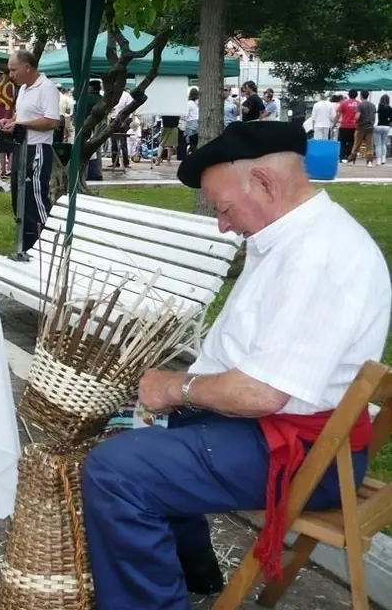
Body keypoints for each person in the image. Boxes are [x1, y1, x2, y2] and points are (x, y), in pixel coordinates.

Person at [83, 120, 391, 610]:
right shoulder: (287, 237)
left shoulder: (320, 255)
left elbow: (261, 394)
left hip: (306, 455)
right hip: (273, 429)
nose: (223, 224)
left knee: (115, 471)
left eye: (224, 209)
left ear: (265, 182)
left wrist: (175, 389)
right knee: (128, 430)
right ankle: (196, 573)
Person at [0, 50, 60, 251]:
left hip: (38, 149)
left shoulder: (47, 88)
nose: (11, 74)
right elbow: (21, 115)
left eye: (13, 70)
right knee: (18, 195)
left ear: (27, 67)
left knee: (35, 197)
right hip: (21, 149)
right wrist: (11, 121)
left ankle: (49, 241)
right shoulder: (23, 89)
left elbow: (52, 121)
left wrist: (22, 124)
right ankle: (25, 244)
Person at [109, 88, 134, 169]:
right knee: (113, 143)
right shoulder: (112, 94)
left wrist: (125, 121)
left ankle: (126, 162)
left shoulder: (126, 95)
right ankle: (115, 162)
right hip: (113, 118)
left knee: (123, 142)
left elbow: (130, 109)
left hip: (123, 118)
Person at [337, 90, 360, 162]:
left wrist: (335, 122)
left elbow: (338, 114)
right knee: (352, 142)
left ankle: (342, 157)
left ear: (349, 95)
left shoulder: (343, 103)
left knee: (342, 142)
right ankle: (348, 156)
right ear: (356, 95)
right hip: (354, 126)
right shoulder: (359, 104)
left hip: (344, 125)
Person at [375, 94, 391, 166]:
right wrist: (389, 127)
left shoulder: (378, 106)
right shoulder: (390, 108)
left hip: (378, 126)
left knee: (378, 144)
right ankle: (383, 159)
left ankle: (378, 160)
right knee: (383, 144)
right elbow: (391, 120)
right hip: (386, 127)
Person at [184, 88, 200, 155]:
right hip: (198, 122)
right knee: (196, 140)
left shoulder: (188, 103)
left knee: (191, 140)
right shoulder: (198, 103)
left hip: (190, 122)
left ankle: (191, 152)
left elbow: (186, 115)